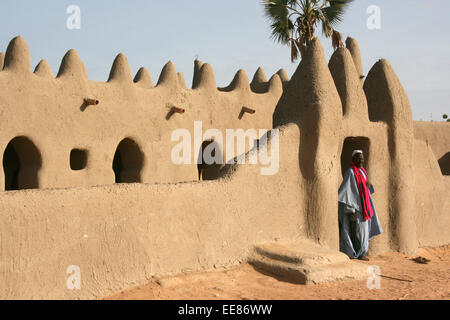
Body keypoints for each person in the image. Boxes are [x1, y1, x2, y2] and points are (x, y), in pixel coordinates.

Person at [338, 150, 382, 261]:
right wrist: (350, 208)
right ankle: (357, 253)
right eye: (358, 158)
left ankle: (362, 252)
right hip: (356, 208)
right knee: (358, 231)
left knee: (365, 231)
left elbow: (365, 189)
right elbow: (346, 191)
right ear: (354, 159)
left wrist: (368, 185)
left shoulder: (362, 171)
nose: (361, 160)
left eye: (362, 158)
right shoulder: (351, 172)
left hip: (365, 207)